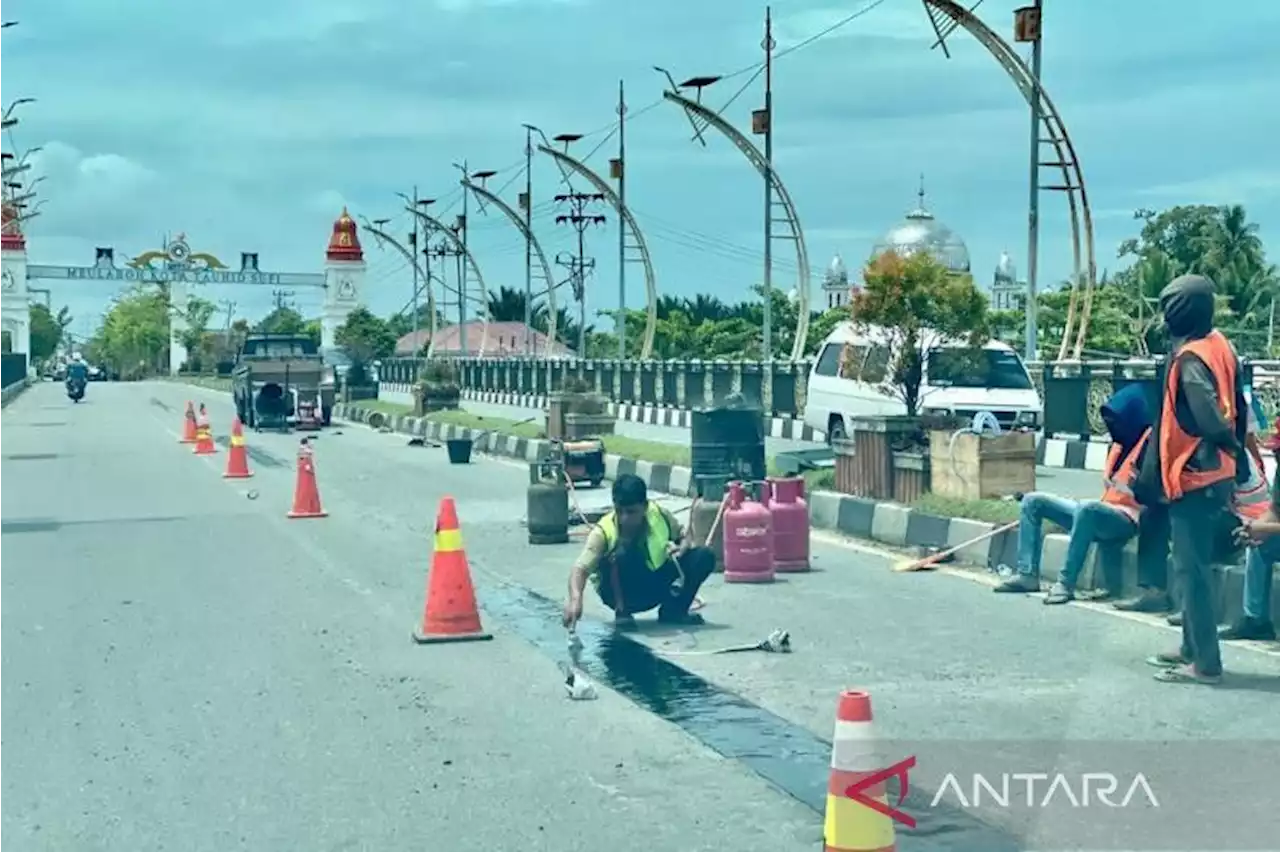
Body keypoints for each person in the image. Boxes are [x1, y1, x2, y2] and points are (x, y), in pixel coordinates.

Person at [1134, 274, 1247, 686]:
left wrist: (1223, 439)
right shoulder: (1219, 345)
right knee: (1190, 566)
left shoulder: (1189, 360)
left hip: (1196, 475)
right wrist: (1235, 450)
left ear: (1178, 312)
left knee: (1191, 571)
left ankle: (1206, 663)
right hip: (1216, 472)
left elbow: (1205, 415)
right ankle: (1188, 647)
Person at [993, 384, 1152, 602]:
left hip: (1126, 519)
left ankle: (1065, 583)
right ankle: (1027, 574)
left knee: (1087, 508)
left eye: (1117, 420)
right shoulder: (1119, 444)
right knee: (1033, 501)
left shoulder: (1150, 444)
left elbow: (1150, 491)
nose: (1112, 426)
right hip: (1100, 510)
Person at [562, 474, 715, 630]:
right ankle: (623, 613)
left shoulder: (660, 515)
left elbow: (684, 535)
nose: (624, 518)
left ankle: (674, 611)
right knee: (620, 554)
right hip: (623, 593)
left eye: (631, 512)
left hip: (655, 583)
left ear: (645, 507)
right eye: (620, 511)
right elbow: (580, 569)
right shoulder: (603, 531)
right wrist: (575, 600)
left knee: (703, 556)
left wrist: (683, 546)